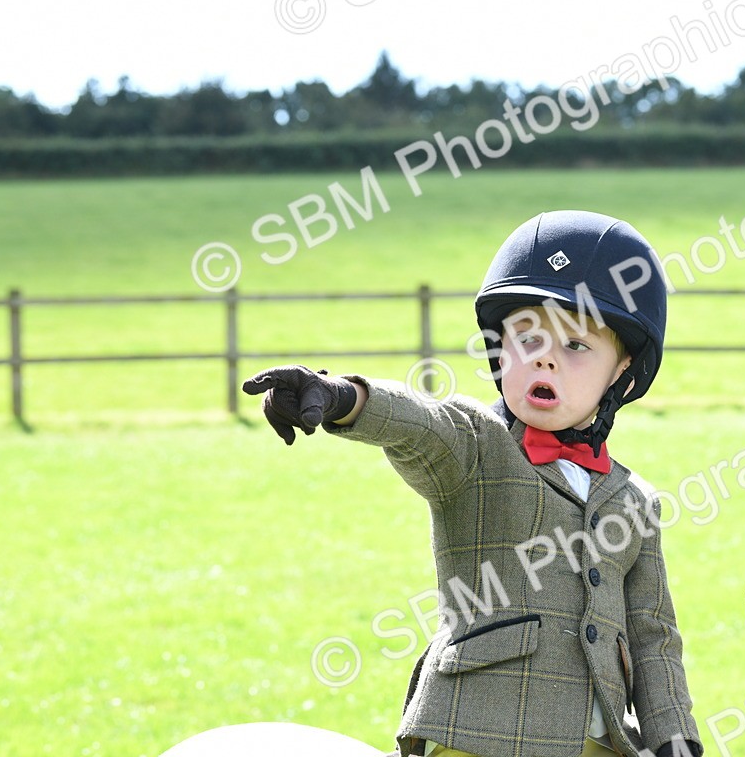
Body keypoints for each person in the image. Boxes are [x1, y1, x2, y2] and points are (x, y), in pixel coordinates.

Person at [243, 210, 702, 757]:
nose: (546, 361)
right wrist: (343, 397)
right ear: (499, 349)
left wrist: (675, 738)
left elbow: (655, 639)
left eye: (576, 346)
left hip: (600, 743)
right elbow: (419, 424)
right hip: (477, 732)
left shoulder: (635, 501)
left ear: (622, 370)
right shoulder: (476, 445)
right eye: (528, 338)